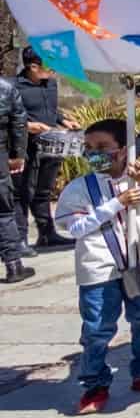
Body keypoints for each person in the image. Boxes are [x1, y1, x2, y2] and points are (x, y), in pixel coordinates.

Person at [56, 119, 140, 414]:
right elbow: (74, 227)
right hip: (99, 268)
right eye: (88, 148)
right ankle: (95, 383)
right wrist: (116, 204)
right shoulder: (78, 189)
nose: (93, 153)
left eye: (102, 148)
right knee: (98, 328)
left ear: (123, 150)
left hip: (139, 260)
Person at [12, 47, 79, 251]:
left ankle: (47, 234)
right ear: (33, 66)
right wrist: (27, 126)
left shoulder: (51, 83)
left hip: (51, 143)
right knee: (22, 192)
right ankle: (19, 239)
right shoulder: (13, 87)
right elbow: (7, 115)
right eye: (51, 66)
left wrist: (63, 120)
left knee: (44, 191)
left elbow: (50, 110)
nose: (55, 70)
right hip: (25, 146)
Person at [0, 75, 30, 282]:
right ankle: (13, 266)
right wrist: (17, 155)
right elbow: (19, 123)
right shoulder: (7, 88)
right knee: (3, 211)